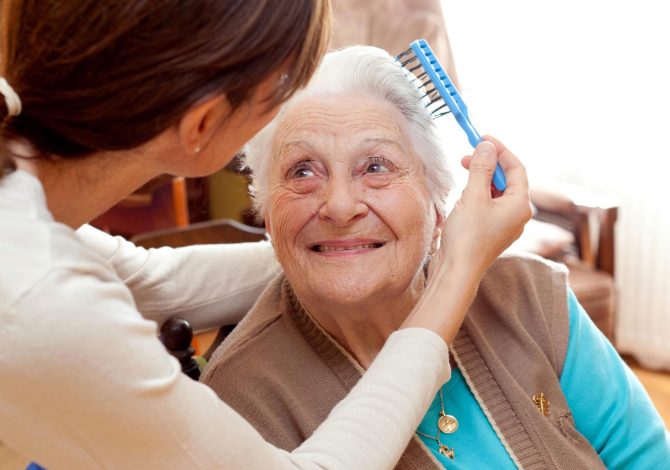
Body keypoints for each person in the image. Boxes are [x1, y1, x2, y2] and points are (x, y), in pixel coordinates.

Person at [0, 2, 532, 468]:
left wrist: (349, 244)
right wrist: (455, 272)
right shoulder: (30, 302)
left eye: (376, 169)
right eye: (285, 90)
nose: (342, 199)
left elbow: (149, 280)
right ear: (202, 128)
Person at [201, 45, 670, 469]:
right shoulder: (240, 400)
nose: (340, 206)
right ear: (266, 212)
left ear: (437, 202)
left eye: (376, 167)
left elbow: (646, 460)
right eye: (302, 171)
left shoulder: (532, 295)